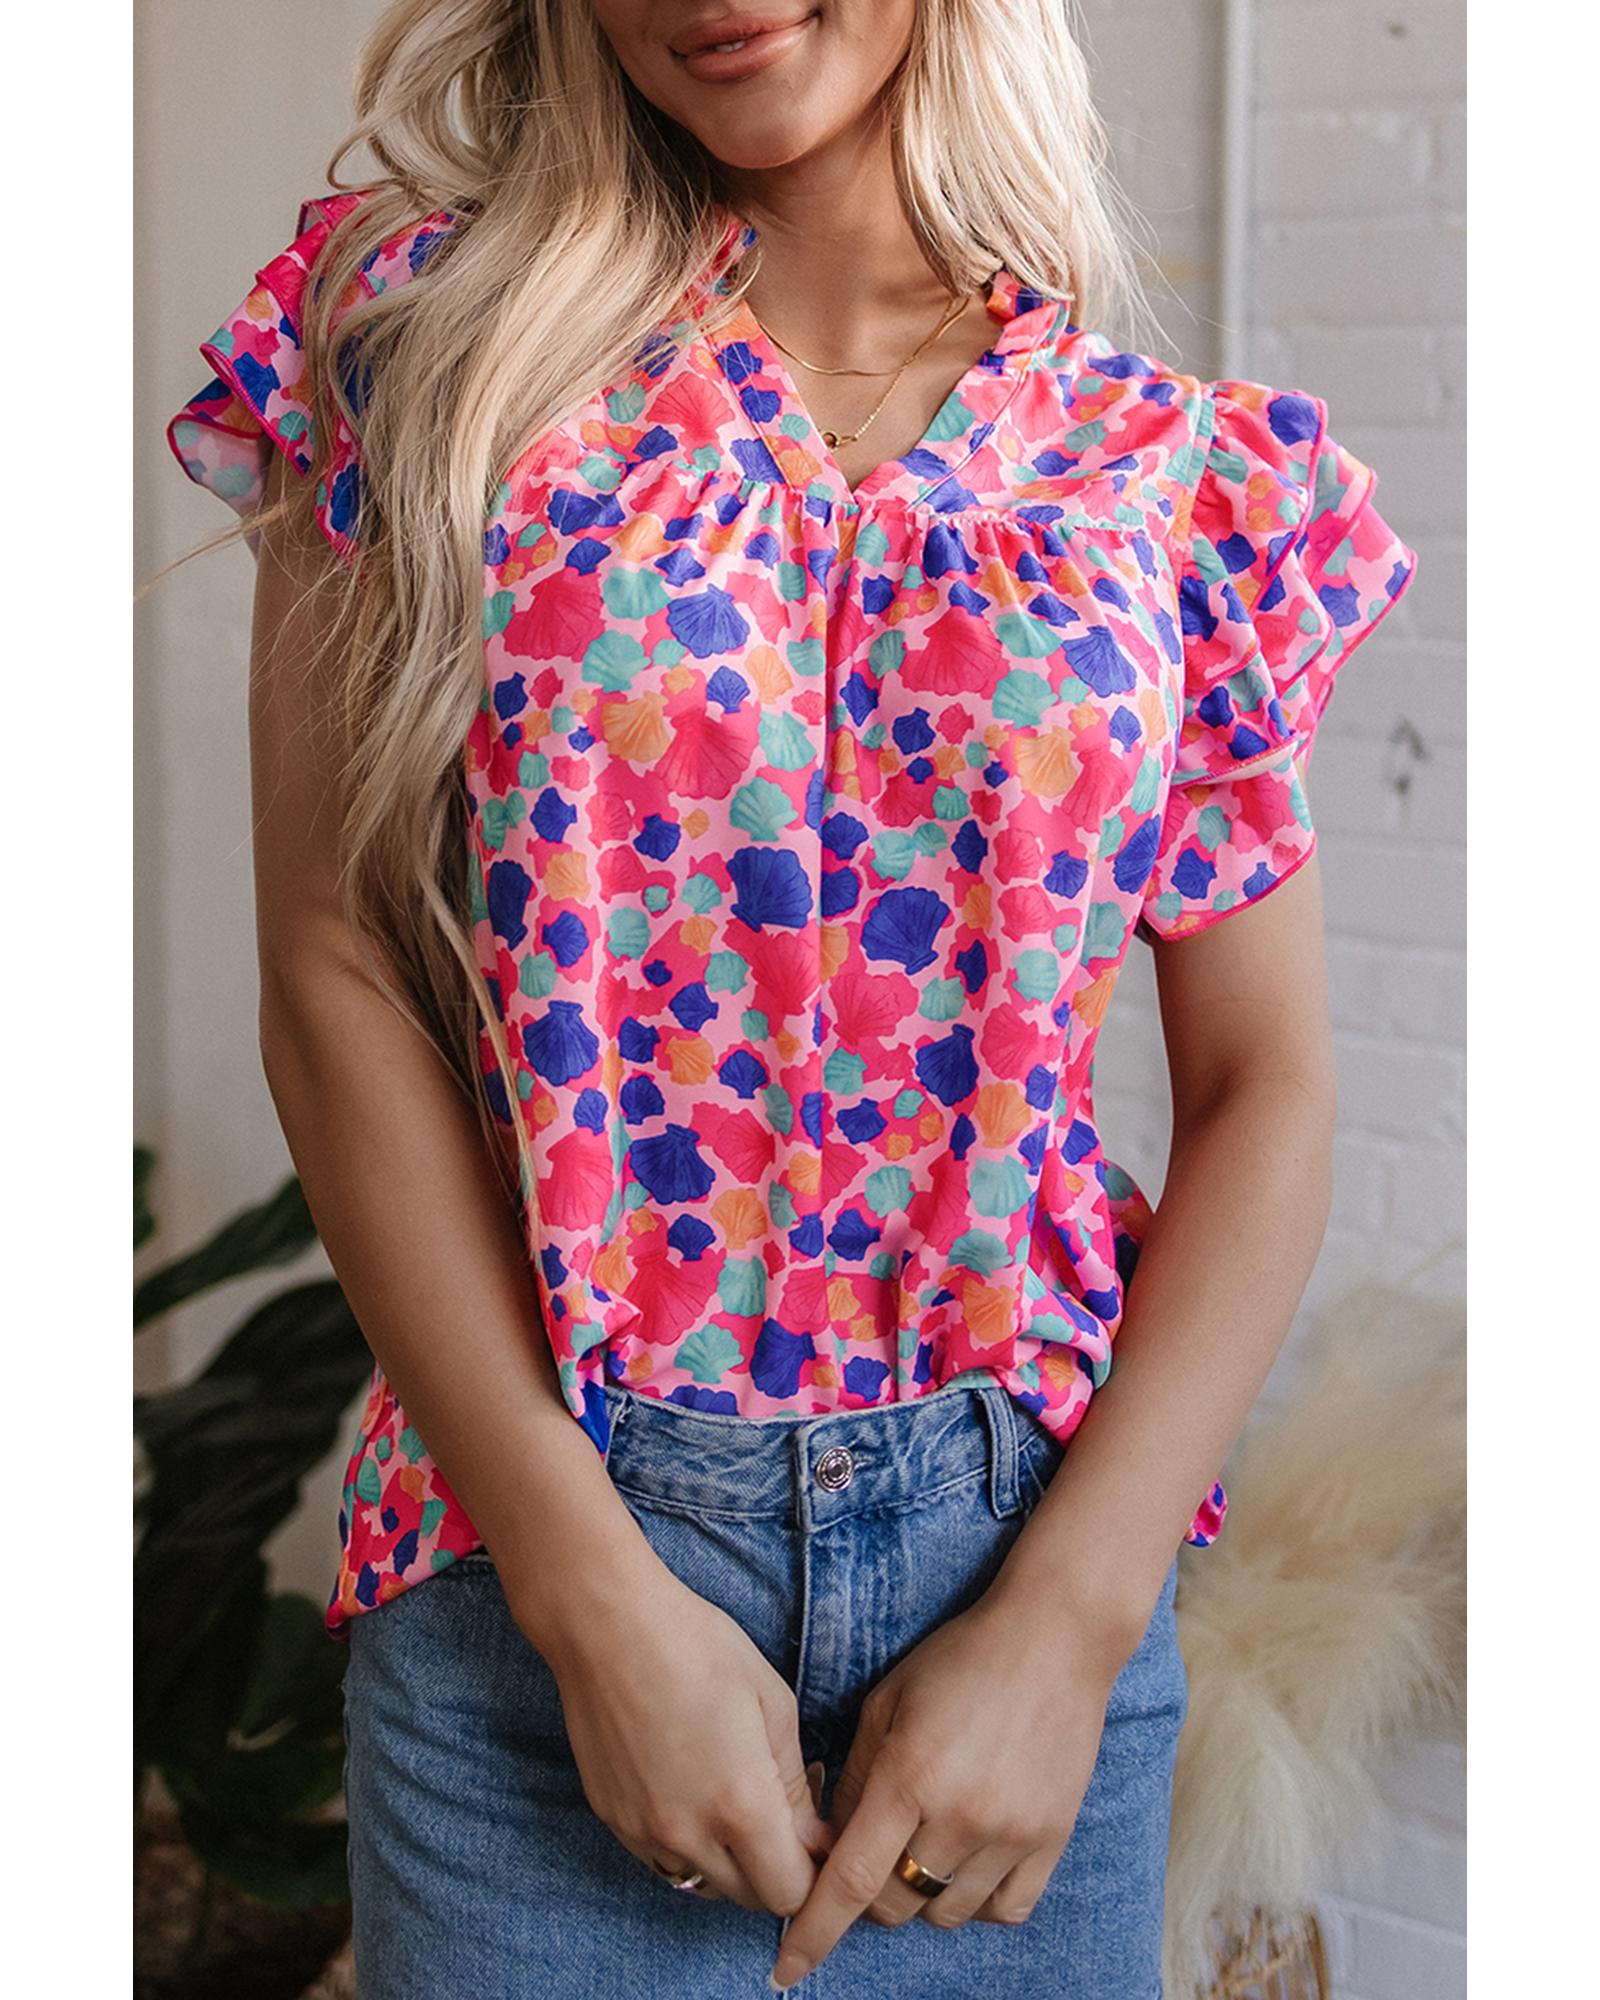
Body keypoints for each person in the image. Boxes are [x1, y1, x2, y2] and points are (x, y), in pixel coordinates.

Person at [163, 3, 1417, 1994]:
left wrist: (1068, 1625)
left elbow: (1268, 1089)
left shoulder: (1180, 482)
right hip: (538, 1596)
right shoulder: (426, 349)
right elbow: (335, 972)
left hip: (1020, 1610)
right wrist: (585, 1594)